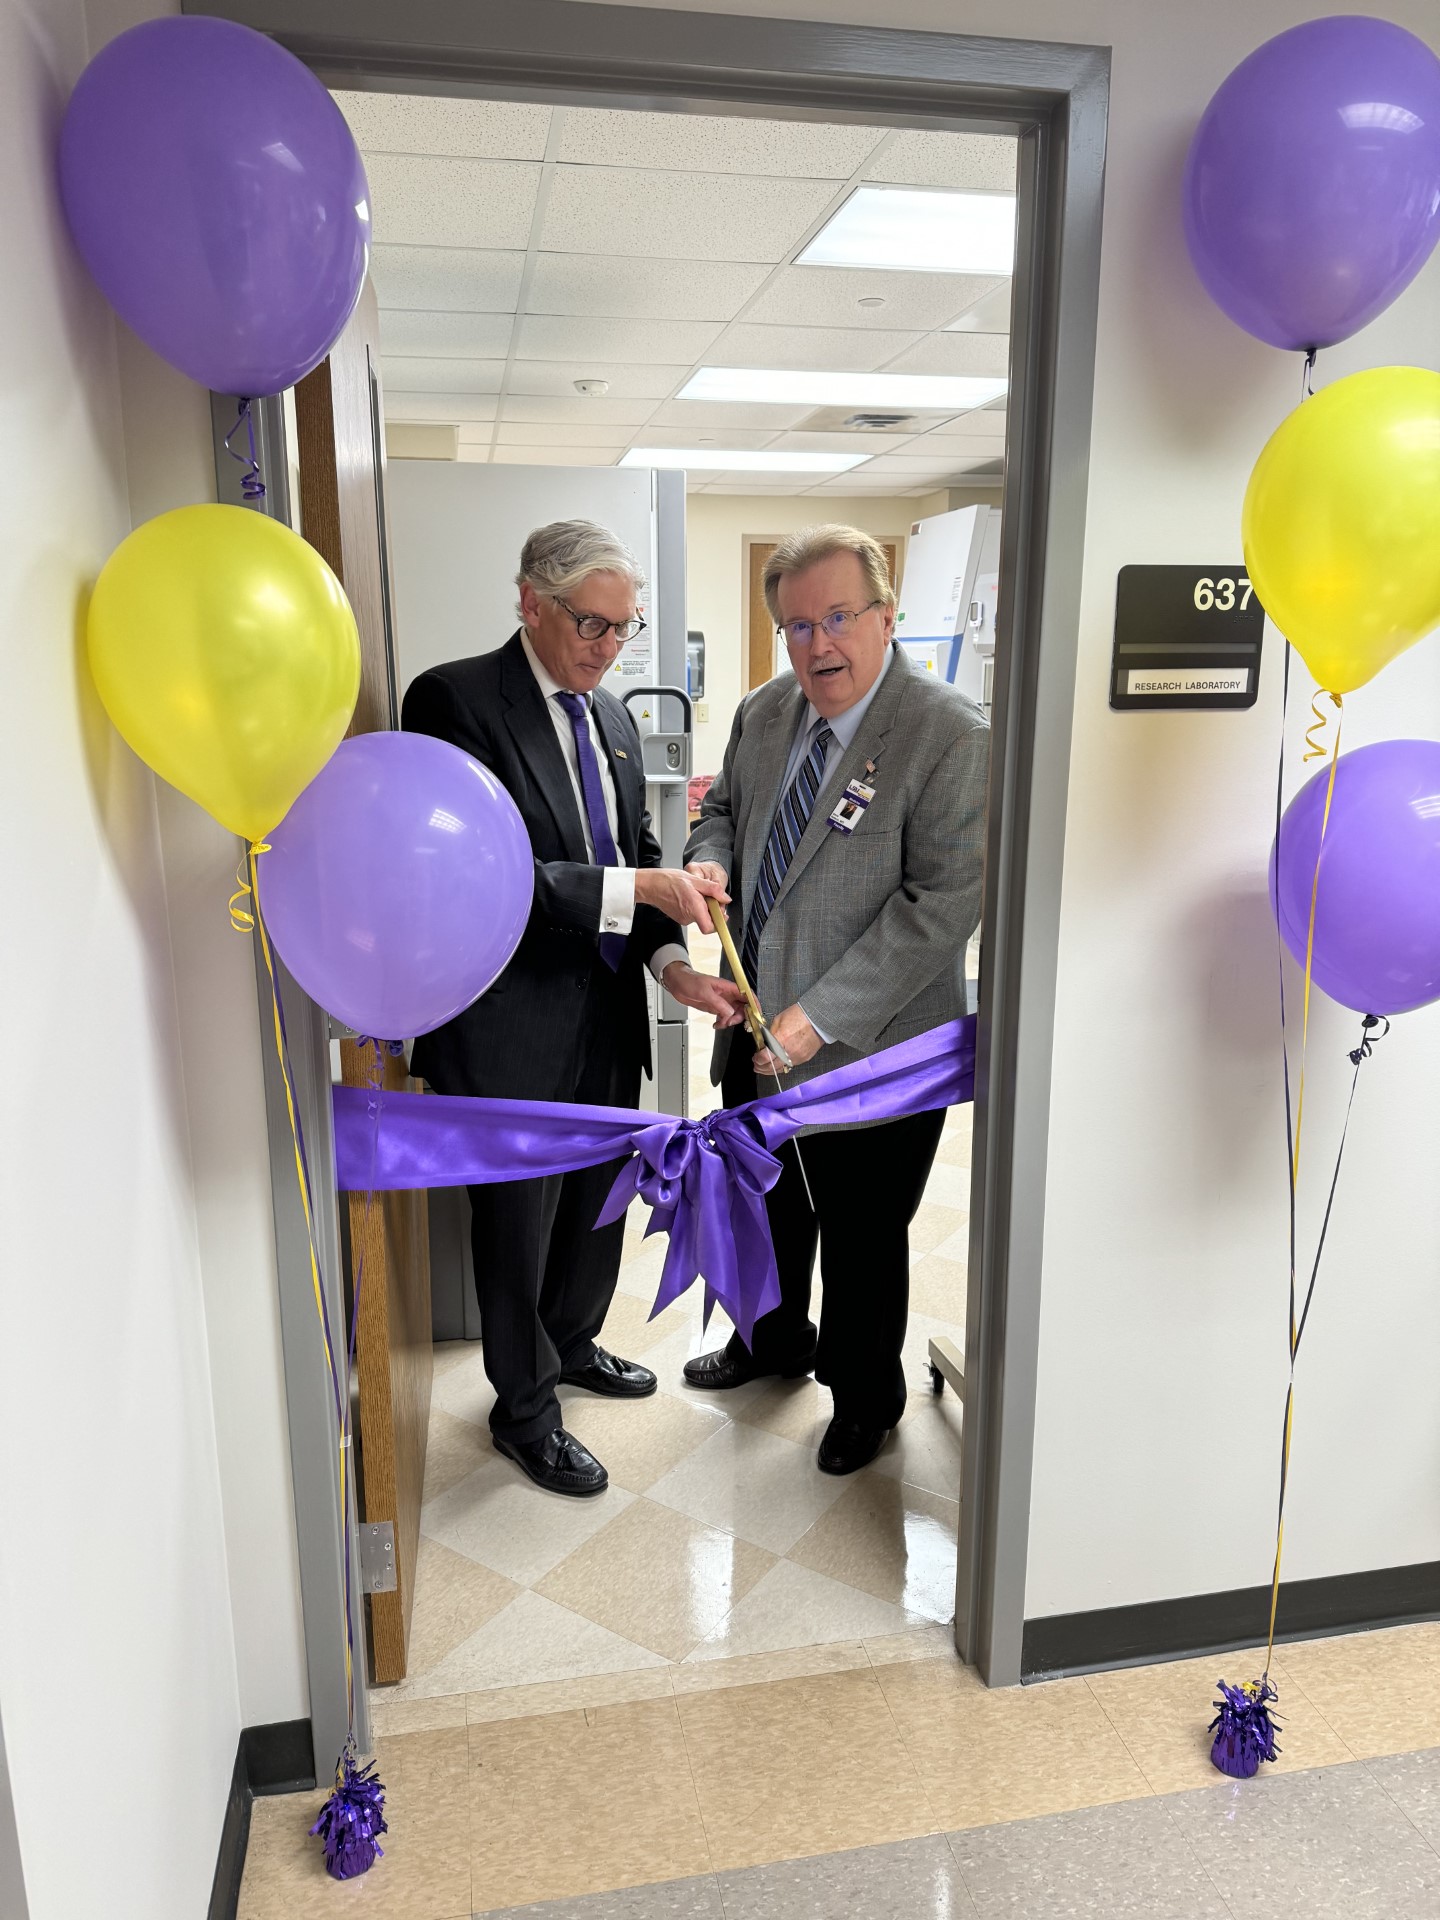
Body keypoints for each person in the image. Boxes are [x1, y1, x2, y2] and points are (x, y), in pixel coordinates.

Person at [403, 520, 744, 1498]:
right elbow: (483, 871)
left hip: (605, 1013)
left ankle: (574, 1345)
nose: (605, 647)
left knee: (595, 1207)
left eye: (622, 630)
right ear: (529, 602)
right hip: (508, 1021)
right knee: (516, 1223)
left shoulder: (618, 720)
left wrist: (674, 966)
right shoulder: (455, 699)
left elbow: (635, 845)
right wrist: (643, 888)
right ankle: (525, 1412)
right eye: (590, 625)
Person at [682, 523, 989, 1475]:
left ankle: (865, 1396)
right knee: (766, 1204)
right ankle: (773, 1342)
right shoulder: (766, 713)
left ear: (887, 615)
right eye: (797, 626)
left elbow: (940, 905)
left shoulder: (949, 734)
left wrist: (816, 1019)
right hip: (752, 1026)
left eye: (839, 618)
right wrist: (707, 858)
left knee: (862, 1232)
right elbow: (725, 808)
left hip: (876, 1053)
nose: (817, 645)